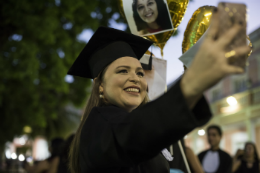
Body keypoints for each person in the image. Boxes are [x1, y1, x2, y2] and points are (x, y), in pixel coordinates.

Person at [68, 7, 250, 173]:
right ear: (100, 85)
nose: (135, 78)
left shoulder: (136, 129)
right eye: (122, 71)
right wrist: (192, 83)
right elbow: (131, 135)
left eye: (140, 73)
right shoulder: (99, 124)